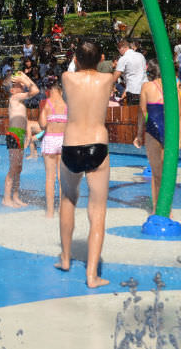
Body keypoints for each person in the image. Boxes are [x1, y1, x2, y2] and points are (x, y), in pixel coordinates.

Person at [56, 40, 113, 288]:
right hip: (97, 144)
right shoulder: (108, 79)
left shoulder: (67, 78)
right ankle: (92, 276)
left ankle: (66, 258)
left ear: (76, 59)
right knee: (98, 212)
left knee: (68, 199)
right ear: (101, 58)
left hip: (71, 144)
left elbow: (73, 73)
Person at [133, 59, 180, 213]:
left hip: (153, 130)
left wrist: (139, 134)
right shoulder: (174, 84)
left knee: (156, 173)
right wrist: (178, 138)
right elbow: (179, 114)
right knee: (168, 172)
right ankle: (168, 209)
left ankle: (156, 209)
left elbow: (143, 113)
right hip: (170, 131)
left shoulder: (147, 87)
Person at [3, 71, 39, 207]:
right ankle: (6, 198)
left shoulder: (19, 100)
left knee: (18, 168)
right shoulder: (15, 98)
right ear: (12, 90)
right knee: (13, 168)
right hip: (14, 134)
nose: (23, 85)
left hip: (20, 134)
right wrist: (26, 78)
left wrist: (23, 79)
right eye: (19, 84)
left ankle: (16, 196)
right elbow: (35, 90)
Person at [37, 75, 66, 218]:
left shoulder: (48, 104)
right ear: (61, 91)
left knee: (50, 178)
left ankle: (49, 212)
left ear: (50, 90)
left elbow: (42, 124)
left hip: (50, 140)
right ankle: (61, 209)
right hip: (63, 141)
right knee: (62, 178)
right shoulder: (67, 105)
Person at [113, 39, 145, 106]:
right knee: (142, 112)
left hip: (133, 91)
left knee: (133, 113)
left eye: (118, 49)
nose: (119, 52)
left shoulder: (124, 58)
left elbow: (115, 77)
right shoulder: (141, 56)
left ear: (121, 48)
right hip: (144, 89)